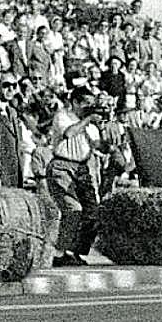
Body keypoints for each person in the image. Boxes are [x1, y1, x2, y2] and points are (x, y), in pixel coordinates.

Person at [48, 86, 104, 267]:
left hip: (82, 168)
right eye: (86, 104)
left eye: (91, 104)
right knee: (72, 209)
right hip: (62, 166)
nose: (89, 107)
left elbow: (98, 146)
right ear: (75, 103)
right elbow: (69, 133)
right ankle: (60, 252)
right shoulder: (63, 116)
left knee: (92, 212)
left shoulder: (90, 125)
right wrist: (88, 120)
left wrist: (108, 135)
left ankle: (77, 251)